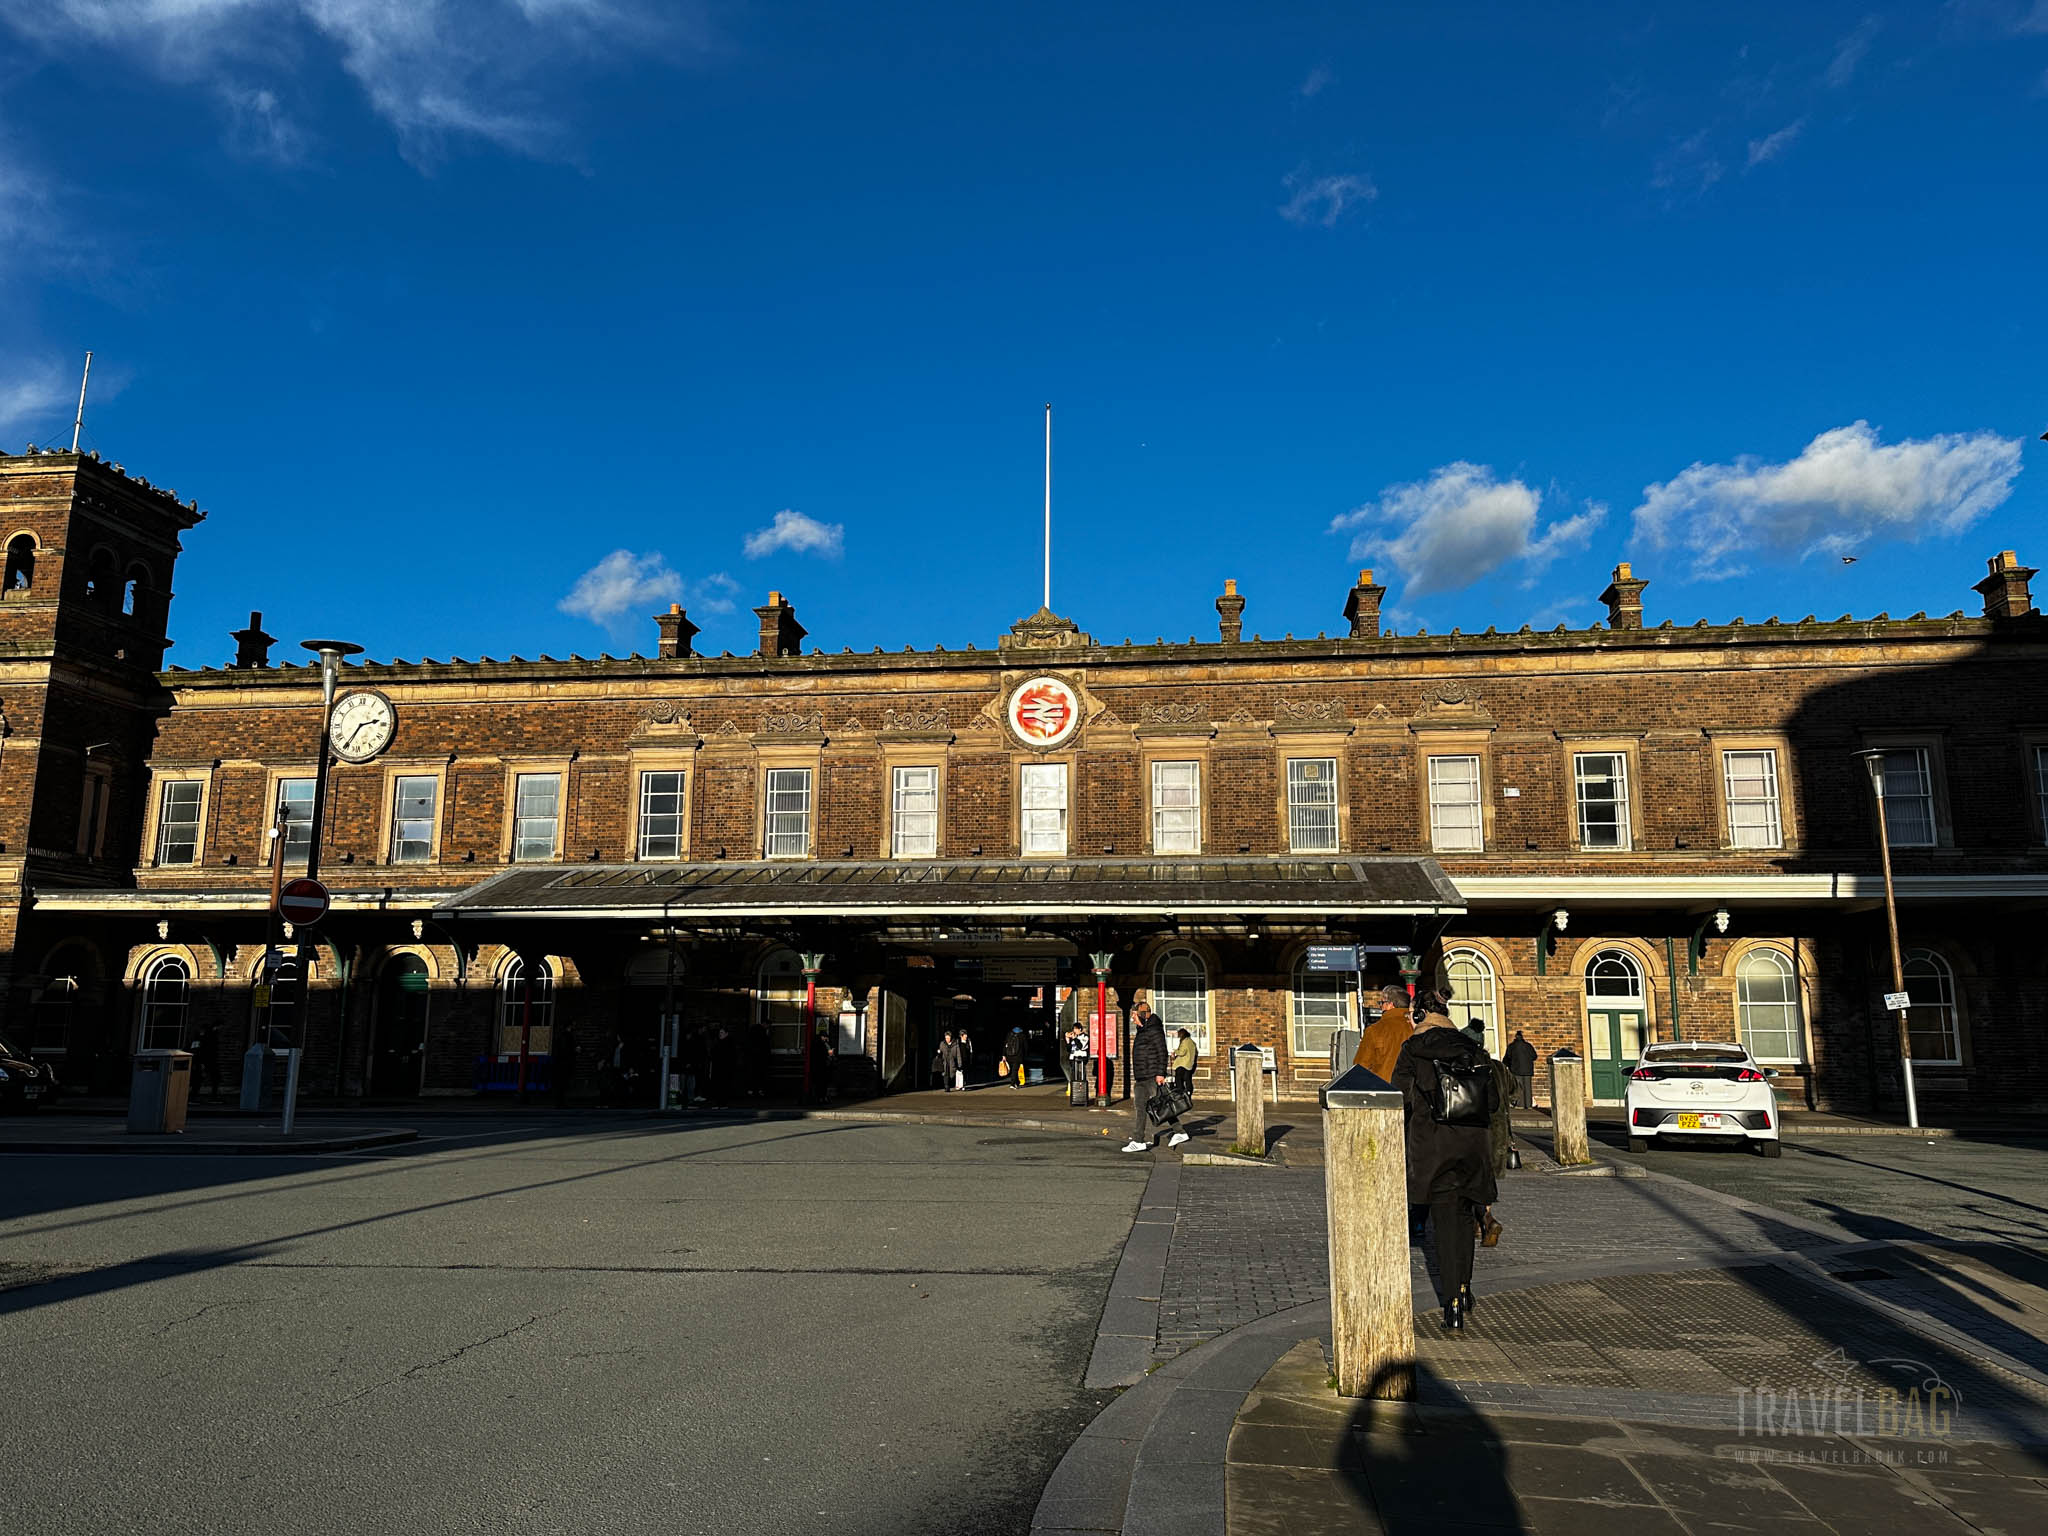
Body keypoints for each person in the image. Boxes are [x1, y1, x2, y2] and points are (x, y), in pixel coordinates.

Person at [1391, 989, 1499, 1332]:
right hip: (1472, 1146)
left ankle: (1451, 1302)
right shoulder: (1473, 1048)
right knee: (1465, 1219)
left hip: (1433, 1148)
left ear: (1420, 1015)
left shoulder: (1413, 1049)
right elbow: (1493, 1101)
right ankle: (1464, 1289)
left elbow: (1400, 1096)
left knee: (1444, 1224)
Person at [1121, 1003, 1187, 1152]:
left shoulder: (1154, 1030)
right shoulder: (1143, 1030)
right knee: (1141, 1107)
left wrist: (1160, 1073)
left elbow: (1162, 1051)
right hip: (1142, 1076)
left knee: (1164, 1104)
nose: (1132, 1018)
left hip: (1151, 1075)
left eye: (1134, 1015)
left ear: (1142, 1015)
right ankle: (1138, 1140)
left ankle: (1180, 1132)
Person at [1352, 985, 1412, 1081]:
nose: (1380, 1006)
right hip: (1413, 1090)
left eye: (1381, 1003)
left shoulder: (1374, 1030)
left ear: (1390, 1005)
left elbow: (1360, 1067)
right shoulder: (1417, 1027)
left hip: (1383, 1089)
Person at [185, 1021, 219, 1104]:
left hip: (201, 1061)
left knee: (199, 1079)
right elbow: (196, 1051)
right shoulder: (199, 1039)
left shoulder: (201, 1039)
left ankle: (194, 1097)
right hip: (199, 1062)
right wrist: (200, 1063)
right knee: (197, 1080)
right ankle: (192, 1098)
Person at [1504, 1031, 1537, 1110]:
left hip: (1516, 1069)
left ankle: (1520, 1105)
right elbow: (1534, 1056)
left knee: (1519, 1087)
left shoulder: (1512, 1046)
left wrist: (1507, 1065)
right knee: (1528, 1088)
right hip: (1528, 1070)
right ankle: (1528, 1105)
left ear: (1515, 1037)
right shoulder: (1528, 1046)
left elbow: (1507, 1058)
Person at [1170, 1028, 1197, 1096]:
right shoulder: (1191, 1042)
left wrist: (1175, 1051)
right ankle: (1188, 1093)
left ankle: (1180, 1093)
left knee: (1178, 1079)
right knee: (1188, 1079)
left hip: (1182, 1064)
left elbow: (1182, 1052)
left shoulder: (1184, 1041)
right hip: (1189, 1064)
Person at [1002, 1022, 1028, 1089]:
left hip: (1009, 1056)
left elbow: (1005, 1045)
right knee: (1015, 1070)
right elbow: (1025, 1047)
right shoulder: (1022, 1035)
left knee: (1013, 1070)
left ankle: (1016, 1082)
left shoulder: (1009, 1035)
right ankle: (1012, 1084)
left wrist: (1004, 1055)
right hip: (1018, 1056)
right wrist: (1025, 1055)